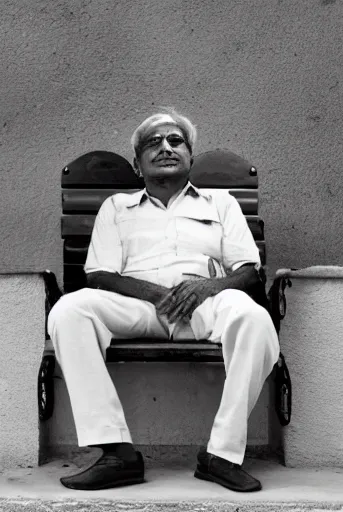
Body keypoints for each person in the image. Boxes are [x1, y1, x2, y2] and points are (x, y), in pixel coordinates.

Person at [48, 107, 280, 492]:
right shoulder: (116, 208)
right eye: (153, 143)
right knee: (70, 310)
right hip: (140, 306)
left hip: (205, 303)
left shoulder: (220, 203)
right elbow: (99, 274)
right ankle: (115, 452)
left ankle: (221, 455)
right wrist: (155, 294)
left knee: (254, 319)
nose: (166, 147)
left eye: (176, 141)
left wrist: (207, 288)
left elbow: (248, 271)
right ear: (139, 165)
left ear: (190, 157)